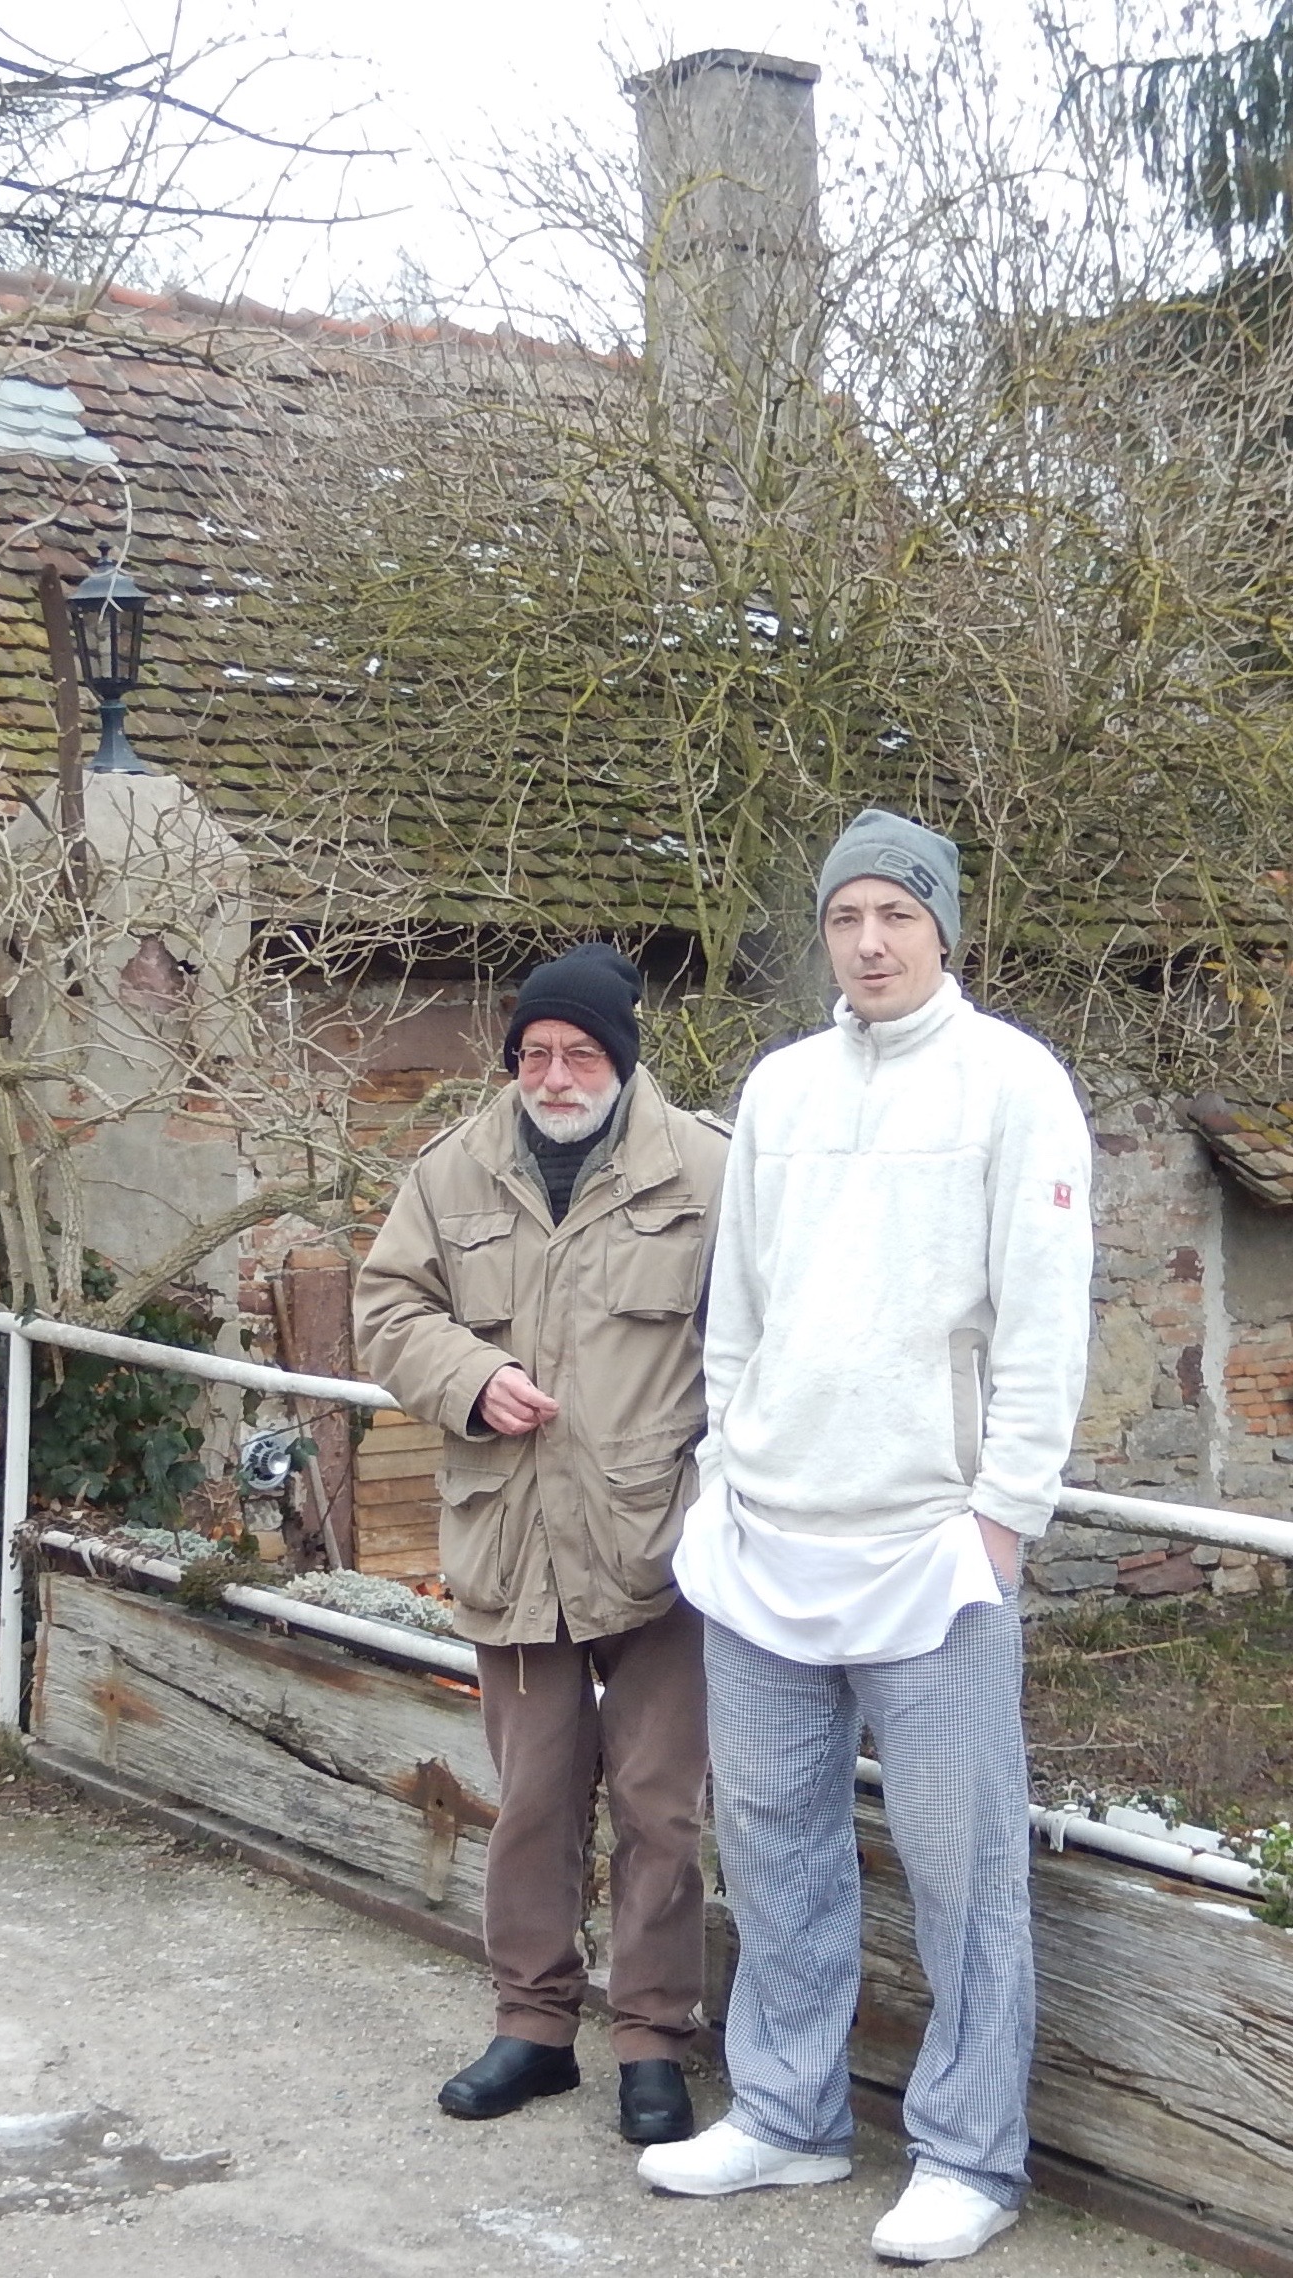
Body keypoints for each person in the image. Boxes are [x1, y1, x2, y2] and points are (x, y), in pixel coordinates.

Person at [636, 812, 1094, 2263]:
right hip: (769, 1533)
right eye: (847, 916)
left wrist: (1005, 1516)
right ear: (825, 931)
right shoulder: (780, 1086)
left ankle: (969, 2152)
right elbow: (740, 1307)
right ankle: (788, 2112)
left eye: (898, 913)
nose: (872, 940)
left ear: (945, 926)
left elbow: (1046, 1318)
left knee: (964, 1867)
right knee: (773, 1842)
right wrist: (723, 1470)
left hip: (931, 1543)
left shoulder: (1015, 1083)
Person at [354, 943, 728, 2147]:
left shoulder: (710, 1171)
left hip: (659, 1541)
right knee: (530, 1802)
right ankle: (533, 2025)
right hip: (511, 1537)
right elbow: (386, 1309)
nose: (553, 1076)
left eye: (578, 1054)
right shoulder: (451, 1170)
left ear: (622, 1057)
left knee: (661, 1806)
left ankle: (652, 2038)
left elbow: (761, 1341)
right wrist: (470, 1376)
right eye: (532, 1053)